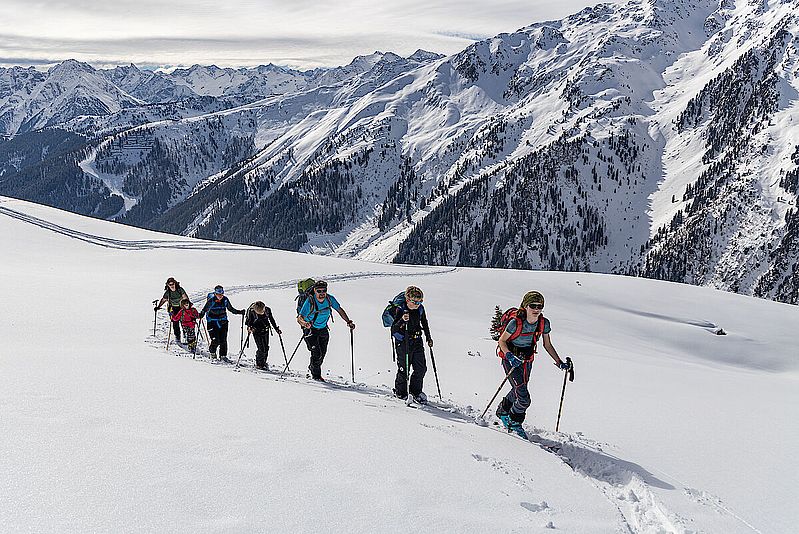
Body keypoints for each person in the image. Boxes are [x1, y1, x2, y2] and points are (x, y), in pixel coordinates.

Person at [496, 291, 569, 438]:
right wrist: (510, 356)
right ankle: (514, 421)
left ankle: (502, 411)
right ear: (525, 306)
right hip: (510, 359)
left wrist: (559, 362)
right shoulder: (515, 323)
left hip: (527, 360)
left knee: (519, 388)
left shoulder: (543, 323)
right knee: (524, 397)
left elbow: (547, 344)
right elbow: (502, 341)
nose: (536, 309)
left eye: (540, 306)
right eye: (533, 305)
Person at [296, 280, 355, 381]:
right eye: (319, 291)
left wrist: (348, 321)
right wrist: (305, 324)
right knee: (316, 353)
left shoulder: (330, 299)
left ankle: (313, 367)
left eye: (324, 290)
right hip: (310, 330)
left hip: (323, 329)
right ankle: (316, 376)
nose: (322, 293)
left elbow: (339, 310)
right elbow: (299, 318)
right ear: (314, 291)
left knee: (322, 353)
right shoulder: (310, 301)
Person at [388, 286, 433, 404]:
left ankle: (415, 391)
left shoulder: (420, 309)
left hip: (417, 341)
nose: (418, 304)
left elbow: (425, 323)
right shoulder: (401, 309)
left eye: (420, 301)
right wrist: (402, 319)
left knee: (421, 368)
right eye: (415, 302)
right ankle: (400, 392)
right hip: (403, 342)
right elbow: (394, 329)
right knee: (404, 369)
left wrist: (428, 337)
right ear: (408, 299)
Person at [199, 285, 245, 361]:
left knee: (223, 340)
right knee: (216, 340)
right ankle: (212, 352)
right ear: (215, 294)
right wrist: (201, 314)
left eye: (221, 294)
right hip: (212, 322)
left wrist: (239, 312)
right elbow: (204, 310)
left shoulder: (225, 300)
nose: (220, 296)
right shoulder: (211, 300)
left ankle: (223, 355)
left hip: (223, 322)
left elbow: (231, 309)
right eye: (218, 294)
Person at [245, 301, 281, 370]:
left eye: (263, 311)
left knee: (266, 348)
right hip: (257, 332)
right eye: (260, 312)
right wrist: (250, 328)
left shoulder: (267, 310)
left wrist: (276, 328)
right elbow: (248, 323)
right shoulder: (251, 312)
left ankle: (263, 363)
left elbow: (271, 319)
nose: (262, 313)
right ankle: (259, 364)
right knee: (261, 348)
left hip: (265, 330)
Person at [155, 277, 189, 343]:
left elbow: (185, 297)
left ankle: (185, 334)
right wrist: (158, 306)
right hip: (173, 308)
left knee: (184, 322)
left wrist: (188, 305)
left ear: (175, 283)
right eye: (170, 284)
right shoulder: (168, 292)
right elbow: (163, 300)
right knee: (175, 323)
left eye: (172, 284)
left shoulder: (180, 290)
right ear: (168, 285)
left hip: (181, 308)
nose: (172, 286)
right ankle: (177, 336)